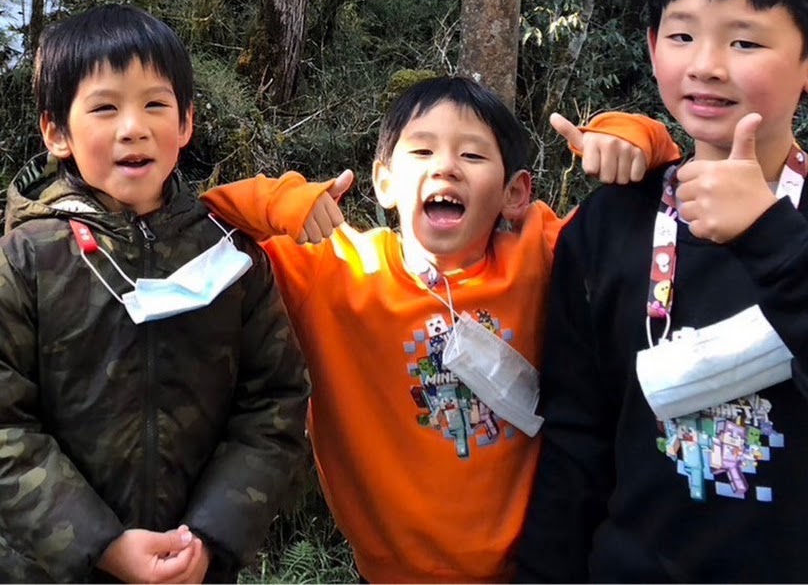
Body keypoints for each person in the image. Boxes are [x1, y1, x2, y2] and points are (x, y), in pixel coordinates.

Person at [516, 0, 808, 583]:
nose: (705, 65)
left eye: (745, 41)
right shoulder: (608, 225)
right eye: (682, 35)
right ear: (653, 46)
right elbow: (576, 439)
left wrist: (773, 236)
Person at [201, 75, 680, 583]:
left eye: (472, 155)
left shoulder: (539, 255)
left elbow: (650, 209)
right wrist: (278, 201)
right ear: (385, 182)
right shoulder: (335, 271)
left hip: (534, 571)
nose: (446, 166)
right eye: (422, 151)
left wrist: (633, 138)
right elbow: (202, 227)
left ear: (515, 192)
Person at [0, 4, 310, 584]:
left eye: (155, 105)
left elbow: (275, 404)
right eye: (105, 108)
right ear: (57, 132)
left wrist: (210, 536)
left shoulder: (231, 257)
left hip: (194, 565)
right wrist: (102, 545)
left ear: (185, 123)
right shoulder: (26, 260)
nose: (133, 127)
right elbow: (6, 428)